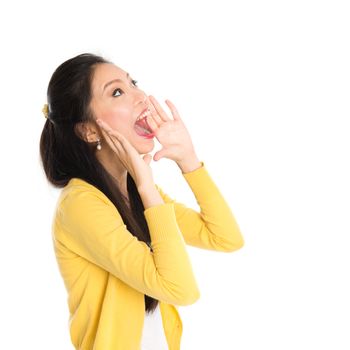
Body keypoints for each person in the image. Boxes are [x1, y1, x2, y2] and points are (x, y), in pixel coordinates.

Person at [39, 53, 244, 350]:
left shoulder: (139, 193)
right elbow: (181, 290)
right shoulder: (81, 204)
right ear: (88, 130)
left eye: (133, 82)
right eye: (117, 91)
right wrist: (147, 187)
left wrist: (188, 160)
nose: (142, 97)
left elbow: (225, 237)